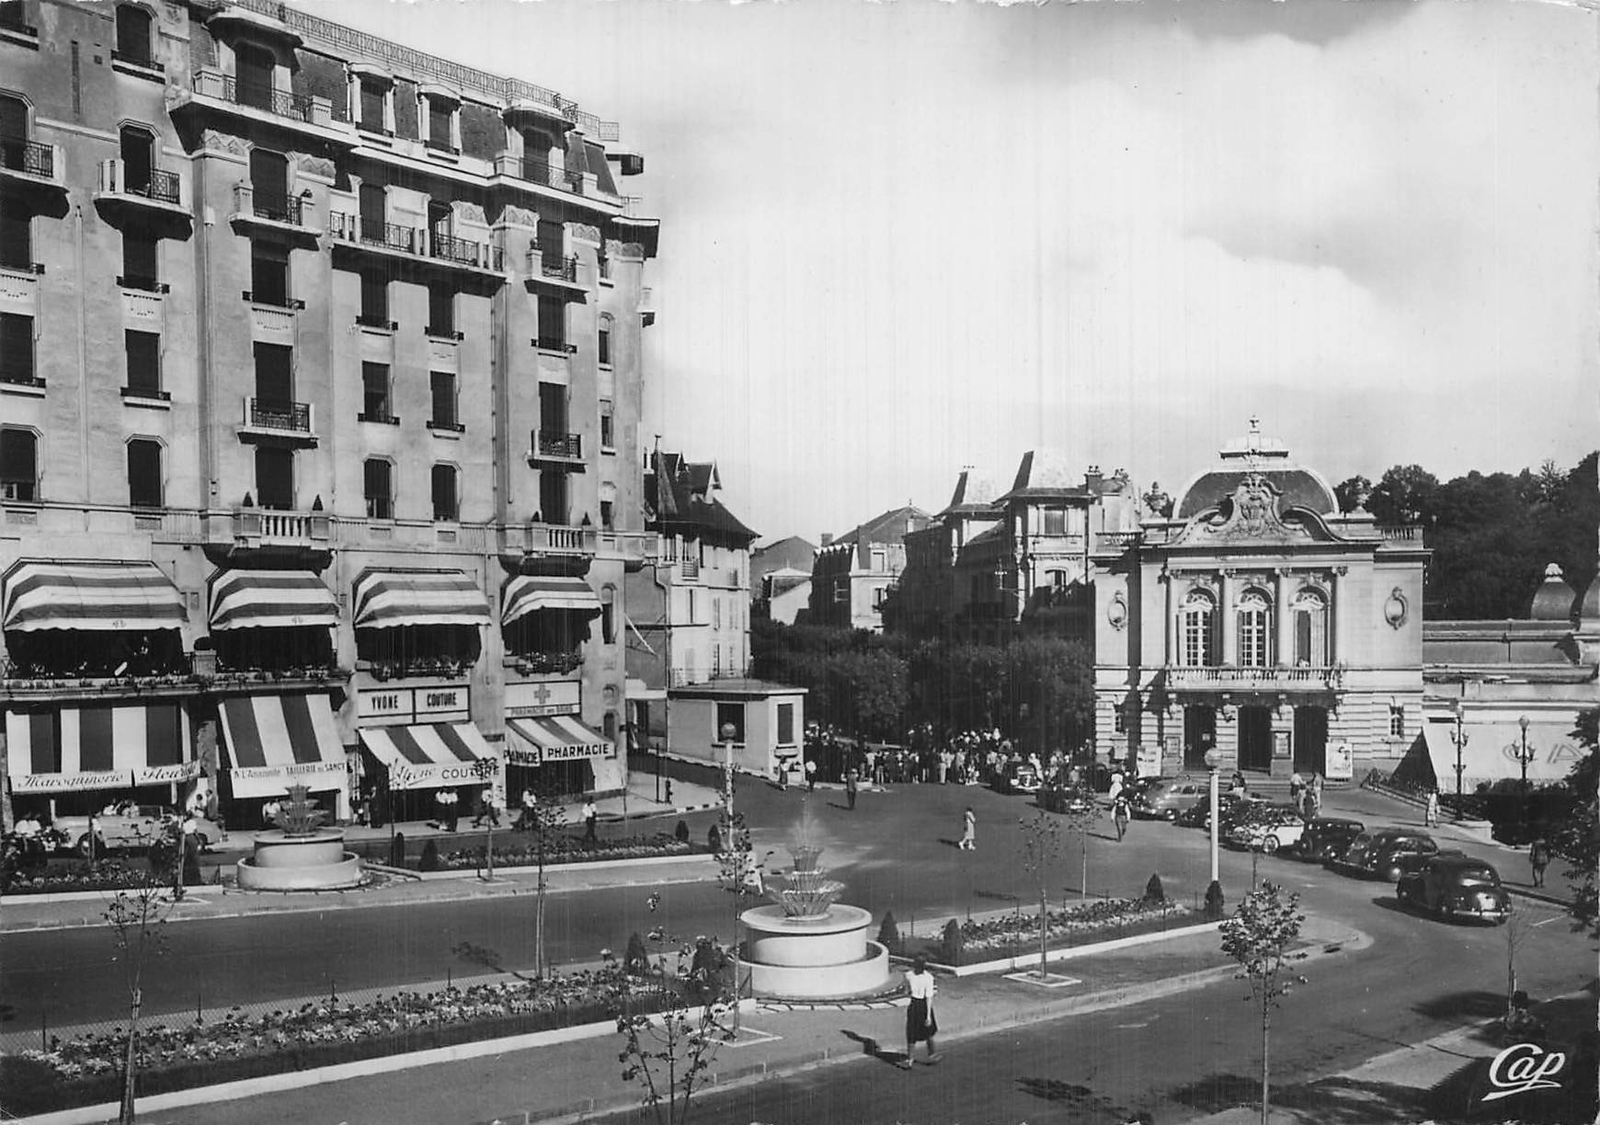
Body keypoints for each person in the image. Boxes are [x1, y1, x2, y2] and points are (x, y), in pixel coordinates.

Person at [899, 955, 941, 1068]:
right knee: (928, 1032)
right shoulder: (928, 977)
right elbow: (928, 998)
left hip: (914, 1005)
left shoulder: (908, 975)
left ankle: (910, 1059)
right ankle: (931, 1054)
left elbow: (907, 991)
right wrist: (928, 1016)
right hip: (923, 1005)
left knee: (912, 1031)